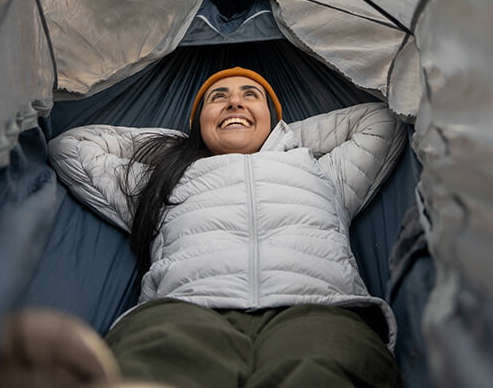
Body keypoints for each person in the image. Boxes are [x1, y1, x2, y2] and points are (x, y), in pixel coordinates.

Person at [45, 67, 405, 387]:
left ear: (275, 117)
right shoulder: (161, 181)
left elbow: (381, 121)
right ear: (199, 121)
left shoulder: (320, 170)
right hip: (185, 311)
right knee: (149, 370)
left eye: (251, 96)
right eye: (219, 98)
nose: (235, 104)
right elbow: (71, 147)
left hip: (318, 309)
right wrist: (179, 145)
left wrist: (280, 138)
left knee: (325, 372)